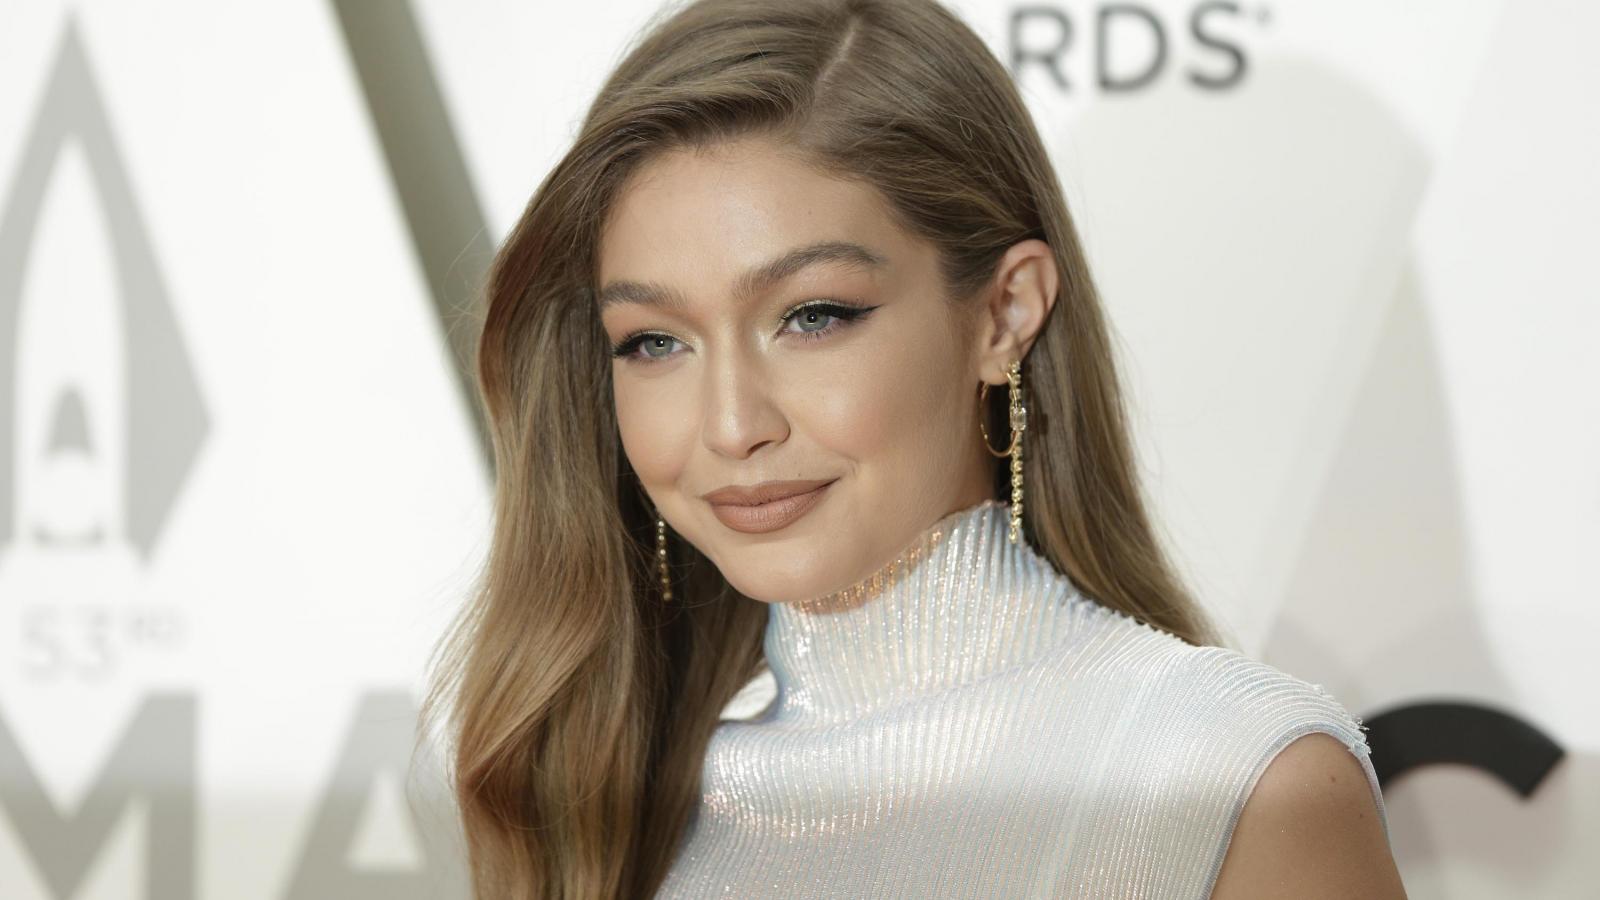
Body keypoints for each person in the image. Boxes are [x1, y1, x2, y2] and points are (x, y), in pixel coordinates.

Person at [420, 0, 1408, 896]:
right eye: (654, 342)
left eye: (813, 316)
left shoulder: (1231, 777)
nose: (730, 425)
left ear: (1004, 314)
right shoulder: (610, 820)